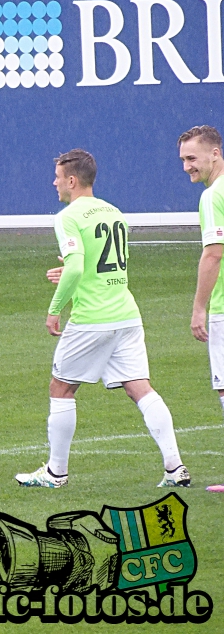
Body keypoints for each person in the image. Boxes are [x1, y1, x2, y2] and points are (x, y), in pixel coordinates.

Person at [16, 149, 189, 489]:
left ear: (71, 180)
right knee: (140, 387)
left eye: (57, 177)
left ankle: (55, 473)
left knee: (61, 387)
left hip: (92, 317)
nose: (54, 183)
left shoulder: (68, 216)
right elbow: (103, 265)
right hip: (125, 313)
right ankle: (175, 467)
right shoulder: (114, 212)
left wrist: (55, 308)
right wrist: (69, 271)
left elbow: (80, 266)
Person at [178, 125, 224, 494]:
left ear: (214, 154)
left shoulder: (213, 196)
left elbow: (213, 254)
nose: (187, 167)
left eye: (192, 159)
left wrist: (198, 308)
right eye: (183, 160)